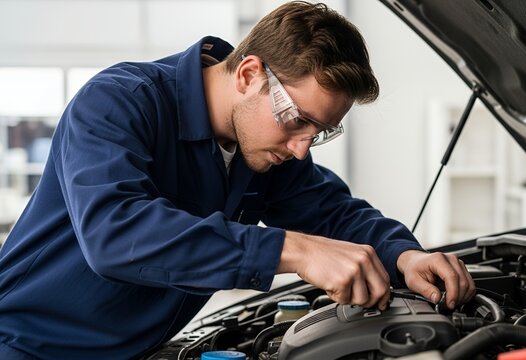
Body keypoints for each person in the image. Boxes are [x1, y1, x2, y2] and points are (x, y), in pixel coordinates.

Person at [0, 1, 475, 359]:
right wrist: (297, 251)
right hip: (27, 347)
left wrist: (403, 254)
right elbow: (116, 232)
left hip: (136, 350)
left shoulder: (262, 148)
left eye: (320, 132)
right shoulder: (119, 102)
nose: (301, 148)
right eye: (296, 119)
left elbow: (328, 210)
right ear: (249, 74)